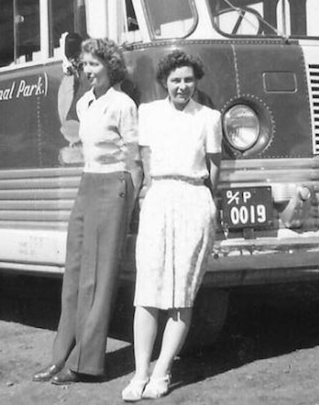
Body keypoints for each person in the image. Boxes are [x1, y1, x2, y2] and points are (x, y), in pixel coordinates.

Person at [33, 37, 142, 385]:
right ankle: (60, 355)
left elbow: (135, 159)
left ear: (111, 66)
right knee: (75, 272)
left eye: (96, 64)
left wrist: (130, 199)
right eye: (86, 64)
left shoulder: (123, 105)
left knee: (98, 278)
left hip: (114, 187)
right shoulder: (85, 103)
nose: (90, 70)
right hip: (87, 185)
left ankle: (86, 363)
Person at [122, 50, 221, 401]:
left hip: (194, 198)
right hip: (159, 198)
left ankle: (162, 372)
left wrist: (208, 203)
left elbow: (214, 167)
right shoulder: (148, 113)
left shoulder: (209, 117)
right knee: (147, 293)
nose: (182, 86)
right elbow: (145, 162)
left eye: (189, 80)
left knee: (181, 295)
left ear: (196, 82)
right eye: (176, 80)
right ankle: (140, 373)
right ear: (165, 81)